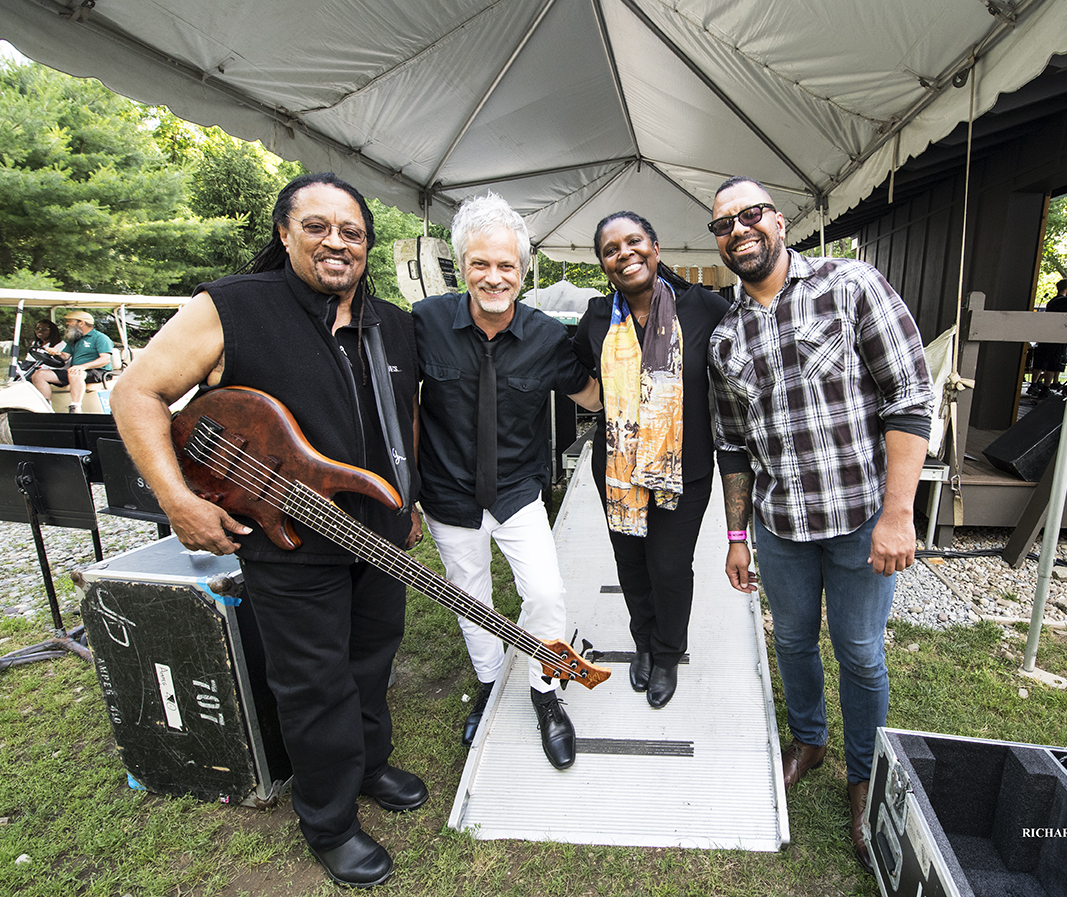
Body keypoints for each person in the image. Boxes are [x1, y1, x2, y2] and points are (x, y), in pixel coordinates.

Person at [111, 172, 426, 889]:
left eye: (351, 230)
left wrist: (407, 501)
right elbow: (137, 390)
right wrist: (175, 498)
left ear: (367, 243)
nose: (335, 241)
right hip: (289, 540)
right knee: (313, 681)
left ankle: (370, 764)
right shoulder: (231, 307)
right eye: (316, 226)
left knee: (373, 655)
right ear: (284, 232)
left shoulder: (392, 321)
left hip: (377, 535)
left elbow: (403, 416)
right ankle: (330, 819)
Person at [707, 176, 934, 872]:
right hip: (779, 528)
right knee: (795, 642)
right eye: (723, 224)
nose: (738, 229)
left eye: (750, 214)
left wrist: (899, 514)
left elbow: (910, 396)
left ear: (778, 219)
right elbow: (733, 446)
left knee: (860, 652)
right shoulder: (725, 337)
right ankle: (808, 741)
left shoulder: (851, 284)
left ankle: (864, 777)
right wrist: (738, 536)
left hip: (861, 519)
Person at [415, 193, 600, 770]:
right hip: (447, 493)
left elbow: (593, 396)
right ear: (461, 265)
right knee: (471, 599)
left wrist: (617, 342)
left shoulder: (546, 336)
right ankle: (492, 683)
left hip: (518, 490)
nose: (494, 278)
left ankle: (546, 691)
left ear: (523, 270)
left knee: (544, 593)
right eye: (480, 264)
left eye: (506, 266)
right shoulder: (423, 325)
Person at [572, 212, 731, 708]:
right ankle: (642, 638)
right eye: (611, 249)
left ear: (656, 247)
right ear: (603, 263)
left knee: (668, 566)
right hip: (618, 470)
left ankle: (667, 654)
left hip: (686, 469)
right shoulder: (598, 317)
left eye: (634, 241)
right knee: (631, 563)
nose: (625, 253)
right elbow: (570, 365)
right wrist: (596, 399)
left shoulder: (705, 307)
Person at [31, 310, 113, 412]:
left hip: (98, 371)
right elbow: (65, 356)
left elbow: (105, 359)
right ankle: (46, 407)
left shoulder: (100, 338)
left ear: (81, 323)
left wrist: (83, 367)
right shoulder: (75, 339)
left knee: (75, 373)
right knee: (39, 374)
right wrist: (56, 353)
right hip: (76, 370)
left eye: (70, 321)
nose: (67, 323)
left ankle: (75, 407)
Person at [1033, 279, 1067, 396]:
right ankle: (1046, 387)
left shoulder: (1052, 302)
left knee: (1041, 361)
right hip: (1059, 338)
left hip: (1046, 336)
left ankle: (1034, 383)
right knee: (1053, 363)